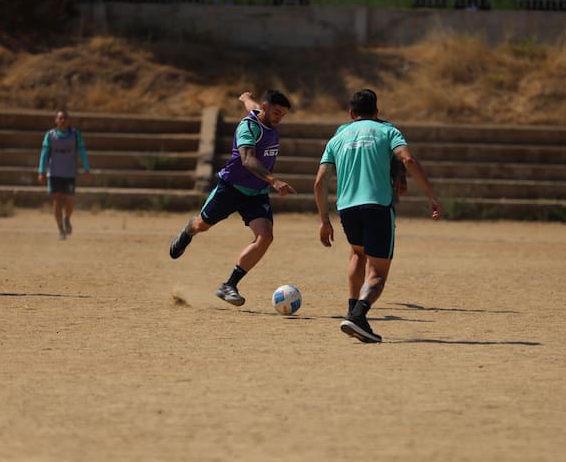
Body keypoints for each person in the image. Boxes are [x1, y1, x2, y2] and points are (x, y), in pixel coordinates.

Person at [314, 89, 443, 343]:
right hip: (377, 207)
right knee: (378, 274)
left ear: (351, 114)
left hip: (346, 208)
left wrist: (324, 221)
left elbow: (319, 182)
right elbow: (407, 159)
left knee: (357, 253)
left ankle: (352, 312)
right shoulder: (387, 130)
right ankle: (359, 315)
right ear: (377, 112)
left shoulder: (337, 137)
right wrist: (430, 194)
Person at [169, 89, 296, 306]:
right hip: (231, 188)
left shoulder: (263, 115)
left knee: (265, 236)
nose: (279, 118)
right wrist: (273, 180)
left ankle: (229, 285)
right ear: (266, 108)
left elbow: (253, 106)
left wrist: (246, 98)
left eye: (283, 114)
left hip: (256, 193)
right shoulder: (248, 127)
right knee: (202, 224)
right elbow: (247, 159)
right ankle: (188, 230)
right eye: (277, 112)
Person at [37, 109, 91, 240]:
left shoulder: (75, 135)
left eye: (65, 118)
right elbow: (44, 154)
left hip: (69, 173)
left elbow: (82, 152)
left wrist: (87, 169)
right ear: (56, 120)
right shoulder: (50, 135)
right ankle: (61, 229)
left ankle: (67, 218)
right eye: (60, 118)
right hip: (54, 173)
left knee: (70, 201)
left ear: (68, 120)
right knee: (57, 201)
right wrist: (41, 171)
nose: (62, 121)